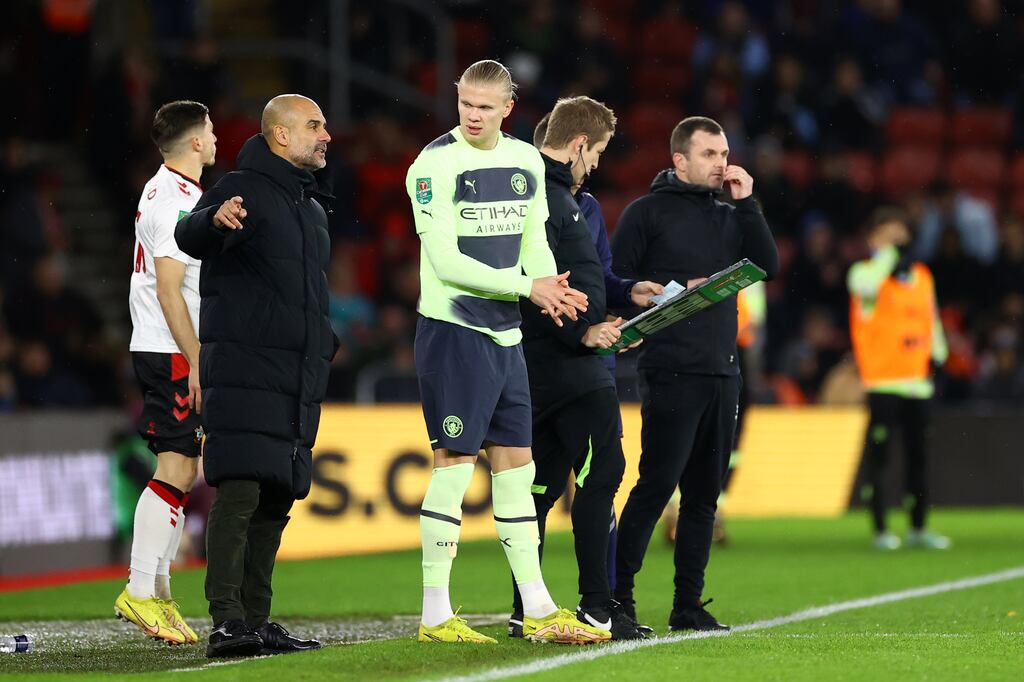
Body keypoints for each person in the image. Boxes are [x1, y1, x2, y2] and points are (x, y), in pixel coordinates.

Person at [406, 60, 608, 645]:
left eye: (485, 107)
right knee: (453, 466)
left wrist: (553, 290)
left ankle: (540, 606)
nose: (472, 115)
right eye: (465, 103)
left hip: (505, 336)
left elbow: (533, 241)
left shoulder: (522, 160)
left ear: (507, 110)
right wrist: (528, 287)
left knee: (517, 469)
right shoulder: (433, 165)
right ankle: (435, 613)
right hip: (453, 330)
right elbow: (445, 262)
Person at [175, 94, 336, 658]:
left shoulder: (311, 209)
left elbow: (310, 298)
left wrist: (324, 348)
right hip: (247, 369)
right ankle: (226, 620)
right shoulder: (239, 189)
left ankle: (256, 619)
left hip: (294, 376)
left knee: (276, 498)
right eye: (314, 125)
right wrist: (212, 221)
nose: (326, 134)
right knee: (241, 489)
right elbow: (189, 234)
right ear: (279, 136)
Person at [610, 116, 779, 632]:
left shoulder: (731, 216)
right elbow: (616, 282)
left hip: (723, 371)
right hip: (671, 369)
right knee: (656, 486)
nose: (721, 163)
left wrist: (748, 202)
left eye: (724, 153)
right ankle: (617, 599)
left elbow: (766, 263)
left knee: (704, 496)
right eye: (709, 154)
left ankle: (688, 605)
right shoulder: (646, 213)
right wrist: (677, 285)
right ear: (679, 160)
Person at [519, 109, 661, 640]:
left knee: (539, 488)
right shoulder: (545, 200)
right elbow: (530, 281)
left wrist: (628, 293)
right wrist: (581, 333)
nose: (596, 165)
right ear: (577, 145)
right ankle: (598, 606)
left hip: (550, 364)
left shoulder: (576, 204)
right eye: (596, 153)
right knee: (601, 475)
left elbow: (592, 277)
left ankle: (525, 608)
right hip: (573, 365)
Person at [114, 100, 216, 646]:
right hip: (170, 348)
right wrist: (196, 358)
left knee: (184, 467)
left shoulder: (171, 191)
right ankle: (138, 590)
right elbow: (169, 289)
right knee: (176, 466)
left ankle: (160, 593)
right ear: (195, 141)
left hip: (164, 345)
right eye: (212, 131)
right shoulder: (175, 201)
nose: (217, 138)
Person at [848, 208, 950, 551]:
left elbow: (930, 317)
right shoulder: (865, 273)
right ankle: (880, 529)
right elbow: (864, 286)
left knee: (918, 456)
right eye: (887, 237)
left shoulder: (922, 275)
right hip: (883, 381)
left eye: (900, 238)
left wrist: (939, 352)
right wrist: (886, 258)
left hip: (917, 381)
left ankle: (919, 527)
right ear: (873, 241)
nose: (896, 244)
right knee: (881, 457)